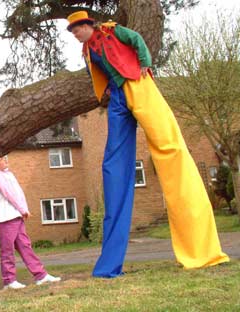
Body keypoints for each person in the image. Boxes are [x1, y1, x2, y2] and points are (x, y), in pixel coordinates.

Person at [66, 11, 229, 278]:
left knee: (170, 150)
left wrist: (145, 64)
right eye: (72, 31)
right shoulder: (86, 50)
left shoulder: (111, 31)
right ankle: (109, 266)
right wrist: (107, 89)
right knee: (113, 165)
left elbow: (137, 39)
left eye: (77, 29)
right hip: (118, 96)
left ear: (87, 25)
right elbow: (96, 72)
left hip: (137, 83)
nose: (75, 34)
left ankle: (202, 250)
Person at [0, 156, 61, 289]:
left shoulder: (8, 174)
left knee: (25, 246)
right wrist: (22, 210)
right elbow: (8, 193)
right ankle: (9, 280)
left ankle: (41, 275)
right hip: (6, 216)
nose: (5, 159)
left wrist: (24, 210)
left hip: (16, 214)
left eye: (5, 157)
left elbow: (18, 193)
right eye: (1, 159)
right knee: (7, 249)